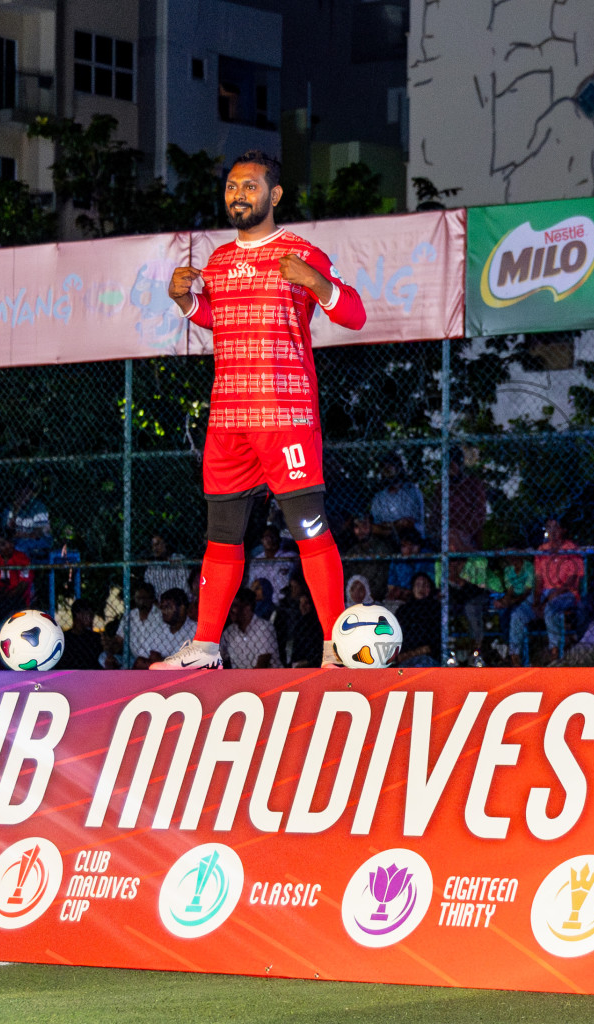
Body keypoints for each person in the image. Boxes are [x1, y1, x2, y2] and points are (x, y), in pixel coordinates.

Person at [160, 148, 367, 669]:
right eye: (232, 187)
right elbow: (220, 322)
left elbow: (356, 314)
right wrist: (187, 302)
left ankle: (335, 647)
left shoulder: (301, 252)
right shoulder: (218, 262)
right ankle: (206, 646)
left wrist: (316, 282)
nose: (238, 196)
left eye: (249, 187)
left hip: (286, 414)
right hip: (228, 418)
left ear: (274, 195)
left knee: (309, 530)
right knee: (221, 534)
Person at [510, 518, 583, 666]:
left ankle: (554, 653)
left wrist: (553, 596)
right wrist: (536, 601)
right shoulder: (542, 550)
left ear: (562, 530)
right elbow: (538, 579)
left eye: (556, 528)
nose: (552, 531)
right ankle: (515, 656)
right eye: (549, 528)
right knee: (518, 613)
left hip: (566, 593)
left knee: (551, 609)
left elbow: (573, 578)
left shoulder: (571, 548)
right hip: (544, 593)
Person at [370, 453, 426, 541]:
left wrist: (389, 526)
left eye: (390, 465)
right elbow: (376, 525)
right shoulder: (379, 498)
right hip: (387, 539)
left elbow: (408, 523)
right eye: (383, 467)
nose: (386, 469)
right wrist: (394, 526)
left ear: (398, 468)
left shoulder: (412, 491)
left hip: (412, 538)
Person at [339, 513, 393, 604]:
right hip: (352, 598)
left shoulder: (381, 549)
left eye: (364, 525)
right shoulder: (352, 552)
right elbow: (345, 579)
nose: (360, 530)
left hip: (373, 599)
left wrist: (367, 595)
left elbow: (381, 581)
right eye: (356, 526)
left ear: (371, 526)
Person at [137, 588, 196, 668]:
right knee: (140, 662)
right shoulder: (159, 627)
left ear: (182, 608)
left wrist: (161, 661)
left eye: (168, 607)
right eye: (162, 607)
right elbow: (150, 657)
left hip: (184, 675)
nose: (164, 611)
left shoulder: (196, 629)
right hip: (160, 673)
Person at [223, 588, 280, 669]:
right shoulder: (229, 632)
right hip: (239, 679)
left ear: (247, 607)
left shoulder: (264, 628)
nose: (230, 610)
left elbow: (261, 666)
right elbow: (217, 657)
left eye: (234, 606)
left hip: (269, 679)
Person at [394, 573, 443, 666]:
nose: (421, 588)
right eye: (418, 585)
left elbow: (434, 642)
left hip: (429, 657)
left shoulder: (436, 609)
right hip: (405, 656)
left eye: (425, 585)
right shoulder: (404, 610)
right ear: (412, 588)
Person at [0, 530, 33, 613]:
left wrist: (2, 596)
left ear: (12, 544)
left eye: (3, 544)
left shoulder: (23, 559)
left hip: (17, 599)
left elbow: (22, 585)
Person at [2, 481, 52, 559]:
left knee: (20, 546)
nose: (23, 496)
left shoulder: (38, 507)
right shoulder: (9, 508)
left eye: (27, 493)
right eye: (20, 493)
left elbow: (37, 534)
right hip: (18, 540)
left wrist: (18, 534)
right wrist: (15, 511)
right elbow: (8, 532)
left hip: (37, 542)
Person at [385, 529, 436, 602]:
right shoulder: (397, 560)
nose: (409, 549)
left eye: (413, 545)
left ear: (419, 545)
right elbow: (392, 586)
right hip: (403, 598)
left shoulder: (428, 557)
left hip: (424, 596)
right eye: (405, 546)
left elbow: (432, 583)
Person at [58, 599, 107, 670]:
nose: (92, 618)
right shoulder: (65, 639)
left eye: (92, 615)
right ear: (78, 614)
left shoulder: (95, 638)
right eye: (89, 614)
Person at [144, 534, 194, 602]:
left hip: (182, 601)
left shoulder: (179, 560)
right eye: (153, 545)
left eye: (158, 544)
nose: (155, 548)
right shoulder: (151, 569)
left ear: (165, 544)